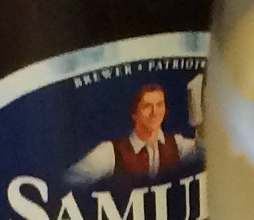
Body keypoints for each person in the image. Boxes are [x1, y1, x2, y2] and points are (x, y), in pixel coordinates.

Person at [67, 75, 206, 188]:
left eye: (159, 105)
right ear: (134, 113)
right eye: (147, 106)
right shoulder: (111, 152)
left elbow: (205, 152)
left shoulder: (177, 144)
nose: (154, 112)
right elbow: (70, 180)